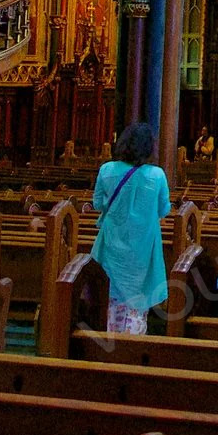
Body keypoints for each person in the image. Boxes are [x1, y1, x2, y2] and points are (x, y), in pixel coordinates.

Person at [89, 122, 171, 337]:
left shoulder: (107, 170)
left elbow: (97, 204)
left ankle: (108, 343)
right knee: (138, 298)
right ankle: (131, 346)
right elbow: (164, 208)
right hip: (143, 247)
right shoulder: (157, 175)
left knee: (111, 295)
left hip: (112, 244)